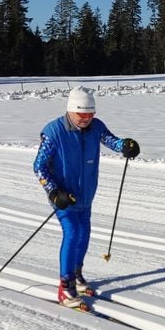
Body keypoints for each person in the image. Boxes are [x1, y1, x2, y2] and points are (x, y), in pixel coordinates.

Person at [33, 86, 140, 307]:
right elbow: (39, 167)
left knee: (84, 234)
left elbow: (111, 140)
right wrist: (54, 192)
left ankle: (77, 275)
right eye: (82, 114)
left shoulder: (95, 127)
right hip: (65, 196)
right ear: (71, 110)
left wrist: (126, 146)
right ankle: (65, 286)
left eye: (91, 114)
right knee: (72, 234)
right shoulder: (54, 132)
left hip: (86, 195)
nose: (87, 119)